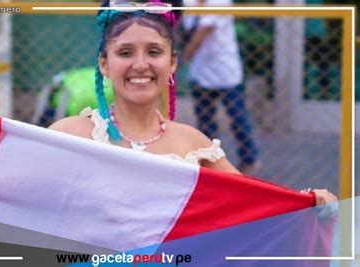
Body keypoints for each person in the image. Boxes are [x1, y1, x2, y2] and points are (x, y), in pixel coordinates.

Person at [49, 0, 336, 206]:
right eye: (125, 52)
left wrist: (308, 202)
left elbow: (258, 202)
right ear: (104, 64)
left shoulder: (193, 144)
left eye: (154, 51)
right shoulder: (70, 135)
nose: (140, 64)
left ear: (172, 63)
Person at [182, 0, 260, 174]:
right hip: (200, 70)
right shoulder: (188, 1)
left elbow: (204, 30)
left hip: (226, 70)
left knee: (238, 118)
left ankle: (249, 159)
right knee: (205, 121)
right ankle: (208, 161)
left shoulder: (220, 1)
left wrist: (185, 55)